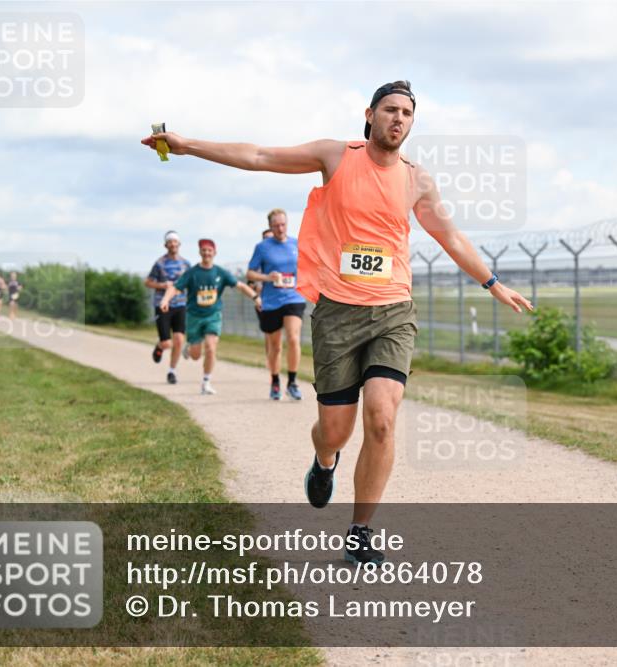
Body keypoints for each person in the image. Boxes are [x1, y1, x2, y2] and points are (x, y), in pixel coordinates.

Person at [142, 80, 532, 564]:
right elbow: (261, 156)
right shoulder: (335, 156)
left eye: (407, 114)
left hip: (393, 311)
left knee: (383, 419)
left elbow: (449, 235)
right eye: (390, 110)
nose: (399, 119)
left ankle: (361, 529)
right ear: (369, 114)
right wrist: (187, 145)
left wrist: (493, 283)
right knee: (334, 430)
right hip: (336, 315)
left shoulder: (417, 180)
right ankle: (325, 462)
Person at [159, 238, 260, 395]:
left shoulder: (220, 273)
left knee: (211, 348)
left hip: (213, 315)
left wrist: (255, 297)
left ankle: (206, 382)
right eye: (204, 250)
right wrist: (165, 299)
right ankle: (190, 348)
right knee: (196, 355)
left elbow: (240, 286)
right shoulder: (192, 273)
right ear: (200, 252)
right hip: (194, 317)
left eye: (209, 250)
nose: (207, 253)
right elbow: (175, 288)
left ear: (214, 253)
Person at [246, 208, 306, 400]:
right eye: (276, 225)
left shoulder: (297, 244)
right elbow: (250, 274)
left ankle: (292, 382)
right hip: (271, 302)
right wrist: (267, 277)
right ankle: (275, 382)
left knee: (294, 338)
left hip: (294, 298)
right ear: (270, 226)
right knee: (275, 346)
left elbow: (307, 267)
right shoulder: (263, 247)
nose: (280, 229)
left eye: (283, 224)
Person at [145, 231, 192, 384]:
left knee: (179, 340)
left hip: (180, 304)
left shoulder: (186, 264)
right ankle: (159, 346)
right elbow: (148, 282)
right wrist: (162, 285)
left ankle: (172, 371)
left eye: (175, 242)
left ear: (179, 244)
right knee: (167, 343)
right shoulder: (160, 263)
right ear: (166, 245)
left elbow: (191, 282)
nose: (172, 244)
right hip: (163, 305)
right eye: (170, 242)